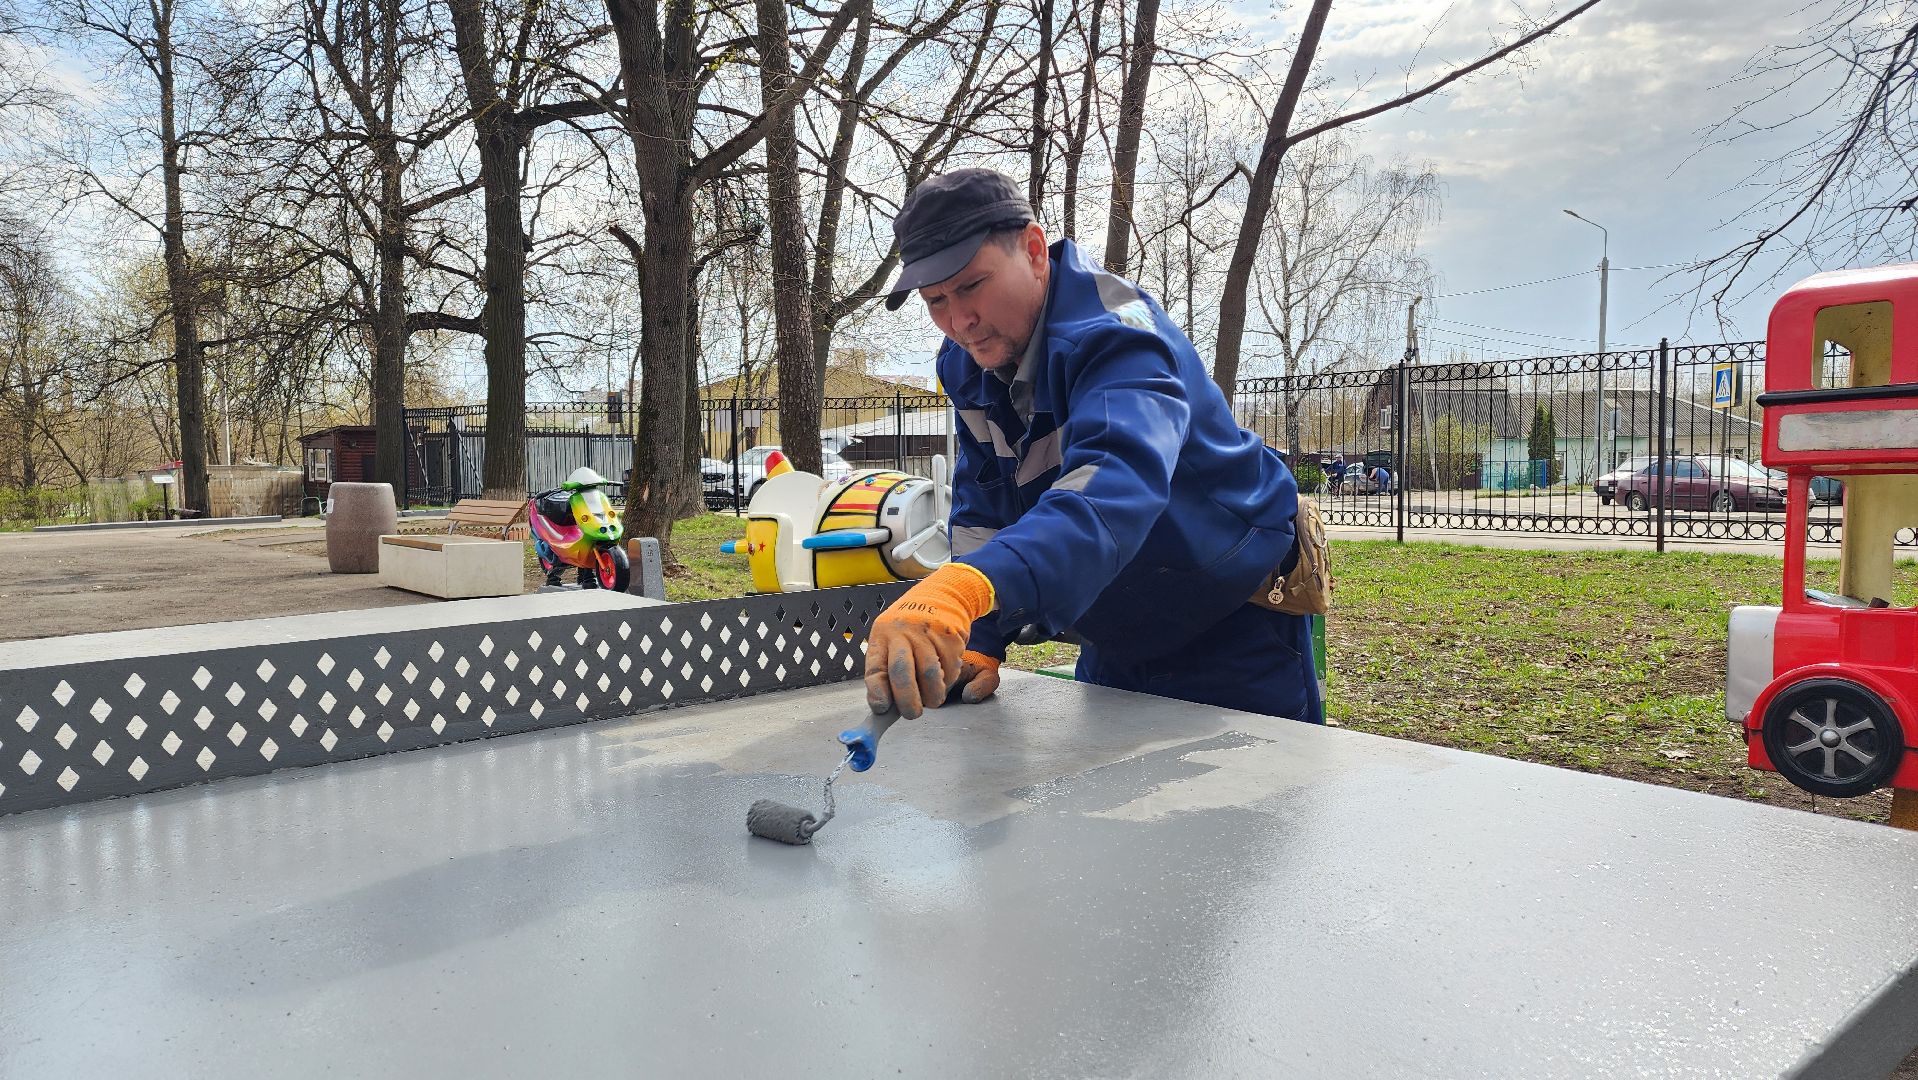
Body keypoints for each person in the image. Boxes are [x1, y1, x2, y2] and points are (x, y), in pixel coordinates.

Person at [860, 167, 1323, 726]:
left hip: (1230, 624)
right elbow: (984, 507)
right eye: (935, 300)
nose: (960, 321)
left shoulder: (1121, 336)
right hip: (1117, 624)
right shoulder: (966, 362)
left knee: (1245, 807)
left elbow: (1109, 488)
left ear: (1034, 250)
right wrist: (978, 635)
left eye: (971, 285)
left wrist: (961, 588)